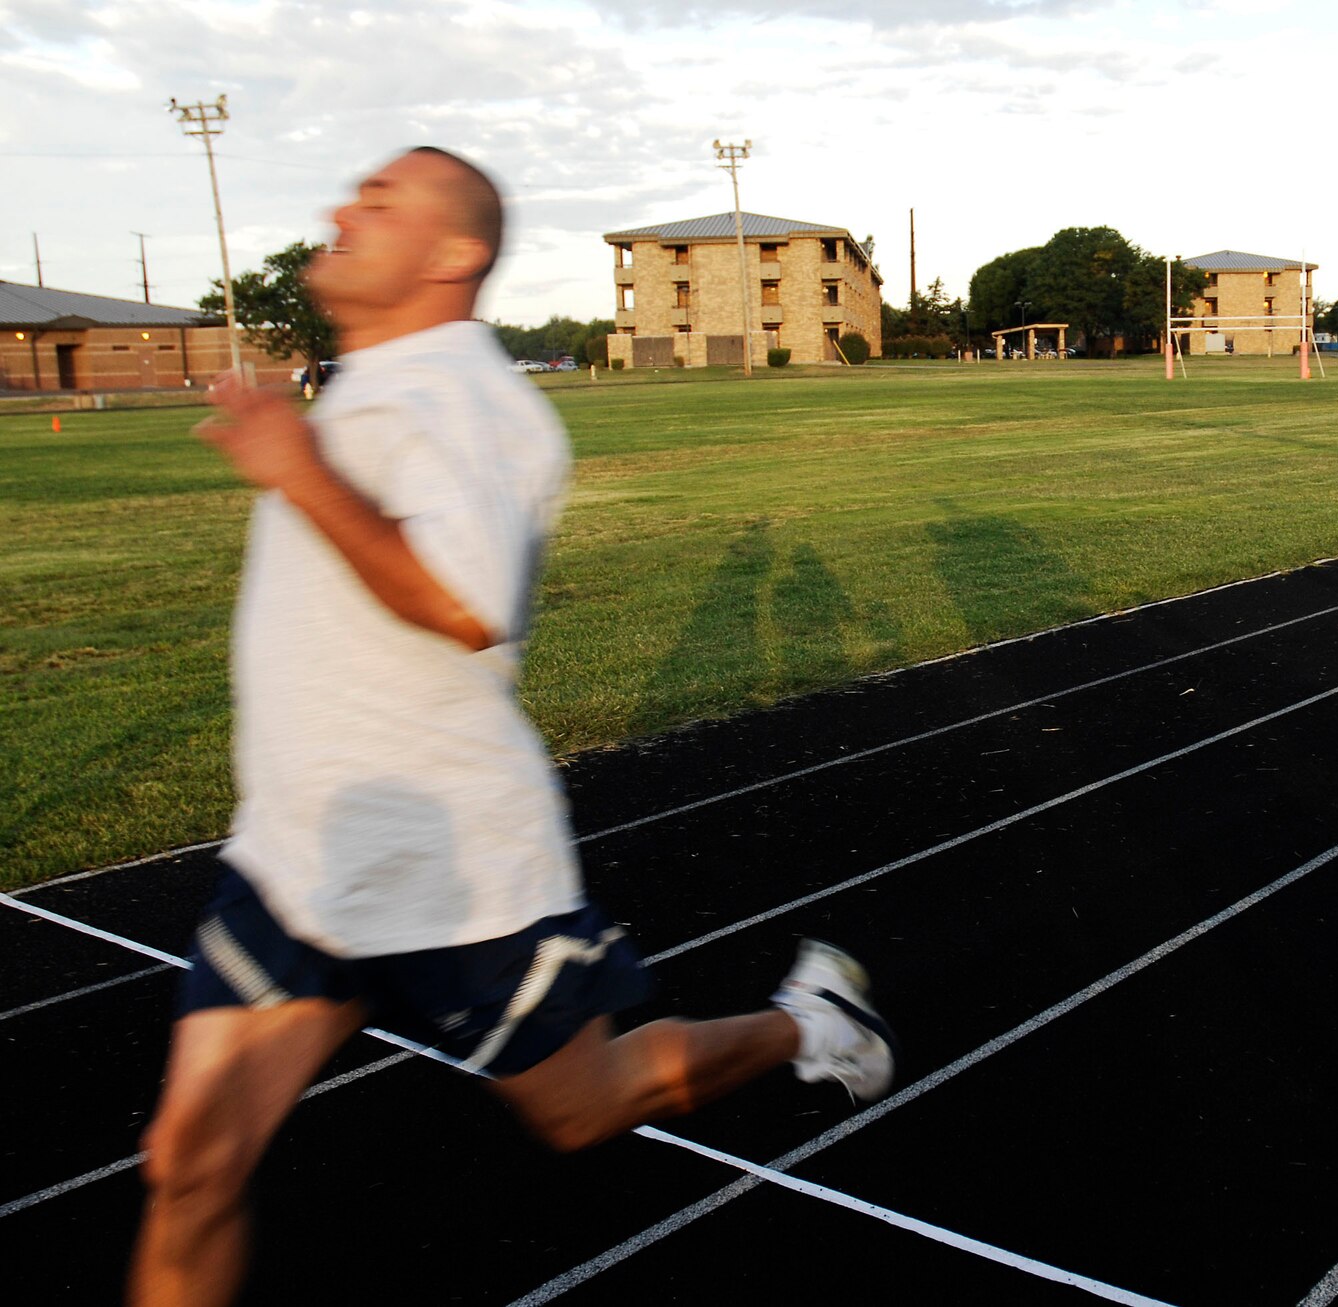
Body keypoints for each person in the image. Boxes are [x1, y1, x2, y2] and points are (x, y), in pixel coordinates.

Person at [130, 147, 895, 1307]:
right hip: (304, 854)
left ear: (454, 254)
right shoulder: (370, 382)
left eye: (378, 201)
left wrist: (295, 467)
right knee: (189, 1163)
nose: (340, 207)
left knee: (583, 1108)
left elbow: (467, 605)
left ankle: (805, 1025)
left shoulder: (472, 402)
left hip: (451, 868)